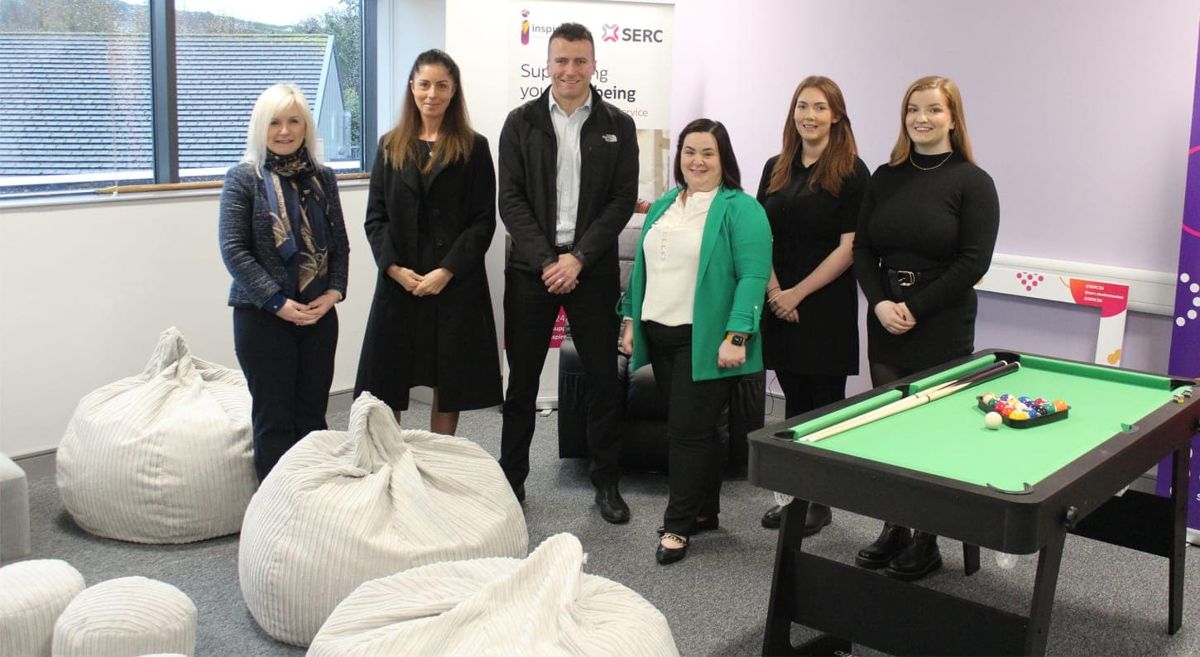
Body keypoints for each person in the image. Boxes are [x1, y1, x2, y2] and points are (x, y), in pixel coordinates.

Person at [851, 75, 999, 581]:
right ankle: (895, 527)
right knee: (890, 428)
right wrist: (880, 303)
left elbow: (974, 261)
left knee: (932, 435)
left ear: (952, 118)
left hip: (941, 321)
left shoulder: (972, 182)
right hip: (887, 319)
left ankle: (928, 540)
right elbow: (864, 248)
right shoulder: (885, 176)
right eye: (913, 109)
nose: (921, 118)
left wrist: (914, 306)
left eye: (934, 110)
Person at [497, 22, 638, 522]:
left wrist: (578, 258)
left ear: (594, 64)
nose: (570, 70)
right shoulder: (520, 122)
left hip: (592, 268)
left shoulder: (618, 125)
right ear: (548, 64)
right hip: (531, 269)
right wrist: (546, 261)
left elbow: (622, 200)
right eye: (561, 60)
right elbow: (509, 200)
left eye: (580, 61)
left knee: (603, 380)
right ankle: (511, 481)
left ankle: (607, 483)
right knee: (523, 383)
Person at [619, 119, 772, 564]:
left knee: (684, 433)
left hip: (705, 340)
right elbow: (643, 270)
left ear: (724, 159)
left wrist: (737, 334)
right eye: (689, 151)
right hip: (661, 333)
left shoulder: (741, 209)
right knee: (697, 429)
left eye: (707, 152)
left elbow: (753, 277)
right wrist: (630, 319)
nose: (697, 161)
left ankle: (678, 525)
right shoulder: (667, 203)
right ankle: (705, 511)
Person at [354, 49, 501, 433]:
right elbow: (376, 217)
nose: (431, 93)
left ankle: (440, 459)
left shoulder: (474, 147)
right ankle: (392, 460)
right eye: (424, 84)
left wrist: (446, 271)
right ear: (411, 88)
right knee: (387, 379)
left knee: (448, 379)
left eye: (441, 85)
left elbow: (482, 221)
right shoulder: (390, 145)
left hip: (453, 284)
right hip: (400, 283)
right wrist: (394, 269)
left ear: (453, 92)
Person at [219, 83, 350, 481]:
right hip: (263, 317)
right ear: (261, 127)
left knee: (311, 416)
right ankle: (275, 514)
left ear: (306, 127)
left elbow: (340, 243)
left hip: (317, 316)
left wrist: (334, 292)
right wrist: (277, 302)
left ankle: (313, 502)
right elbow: (234, 250)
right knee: (273, 419)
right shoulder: (244, 179)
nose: (285, 131)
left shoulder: (323, 178)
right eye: (275, 122)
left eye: (294, 121)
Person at [757, 76, 870, 535]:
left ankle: (819, 502)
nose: (809, 115)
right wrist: (774, 293)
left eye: (820, 108)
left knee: (824, 407)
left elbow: (850, 247)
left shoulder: (852, 172)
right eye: (802, 106)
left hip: (823, 307)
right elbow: (758, 233)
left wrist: (796, 293)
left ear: (836, 116)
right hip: (777, 299)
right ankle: (792, 497)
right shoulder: (776, 167)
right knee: (792, 403)